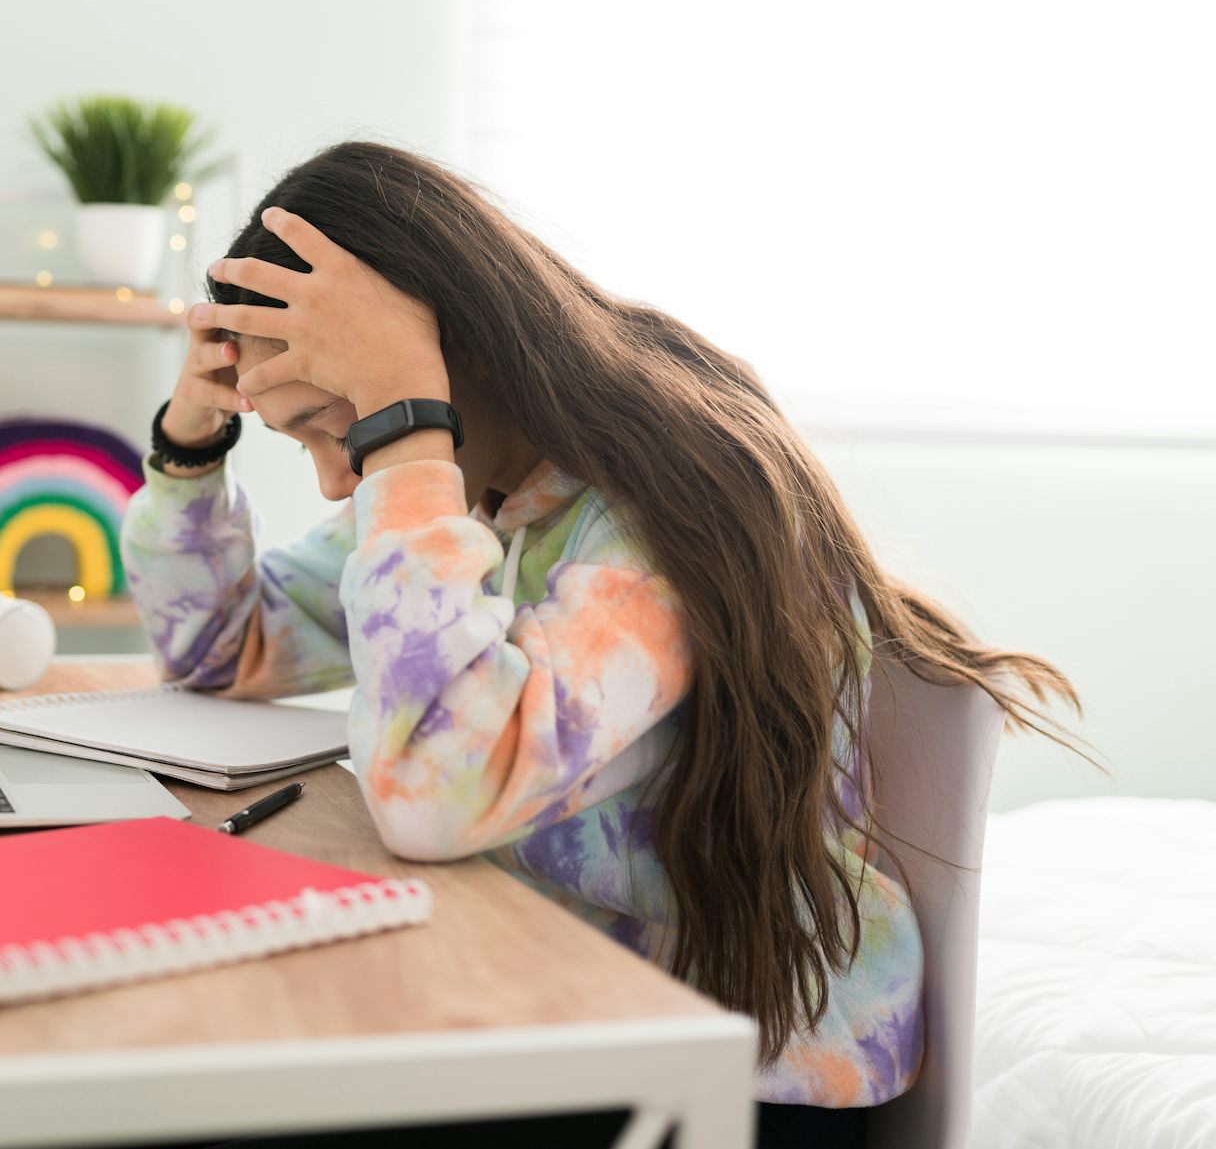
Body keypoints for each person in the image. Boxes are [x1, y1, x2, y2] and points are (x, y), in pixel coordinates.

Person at [120, 142, 1080, 1148]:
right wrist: (191, 441)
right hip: (580, 1010)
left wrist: (405, 423)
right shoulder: (487, 495)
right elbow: (220, 649)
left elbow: (439, 794)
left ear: (454, 354)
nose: (334, 481)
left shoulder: (665, 505)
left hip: (745, 1079)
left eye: (330, 425)